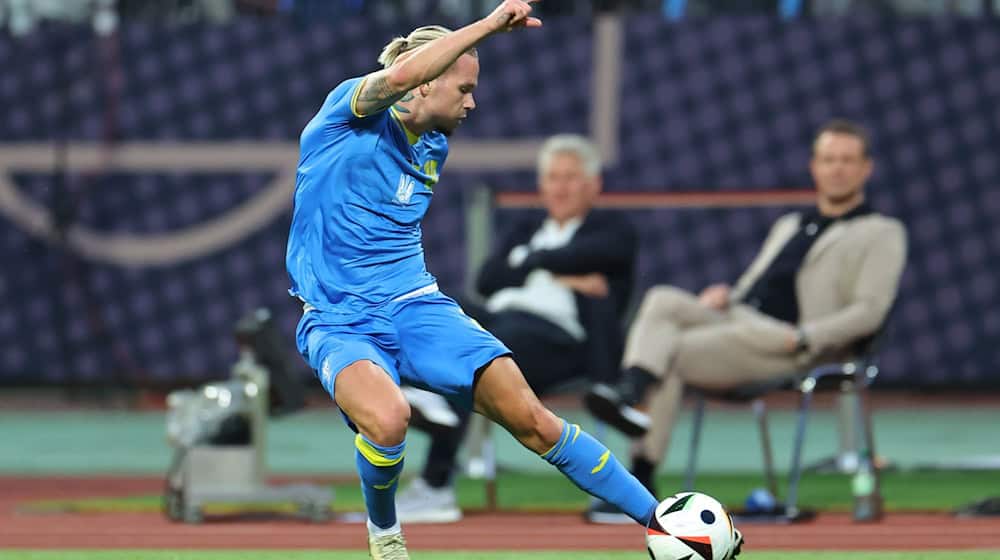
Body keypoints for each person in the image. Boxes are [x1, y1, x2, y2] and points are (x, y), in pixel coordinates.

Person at [284, 4, 666, 558]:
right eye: (463, 87)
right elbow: (398, 78)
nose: (472, 101)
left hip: (416, 308)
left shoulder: (434, 143)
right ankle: (386, 533)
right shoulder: (346, 116)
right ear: (426, 81)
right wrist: (488, 25)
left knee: (534, 421)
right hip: (338, 319)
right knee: (390, 420)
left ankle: (661, 521)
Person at [583, 119, 907, 523]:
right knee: (662, 299)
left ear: (865, 168)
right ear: (814, 167)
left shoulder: (881, 232)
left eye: (846, 160)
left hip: (792, 342)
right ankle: (630, 390)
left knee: (673, 351)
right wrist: (727, 296)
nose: (836, 168)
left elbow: (870, 311)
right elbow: (755, 283)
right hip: (739, 320)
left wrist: (806, 335)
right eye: (828, 159)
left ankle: (640, 478)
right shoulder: (791, 223)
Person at [395, 134, 638, 523]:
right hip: (499, 318)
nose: (560, 187)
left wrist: (529, 262)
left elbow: (593, 254)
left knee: (476, 354)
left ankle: (436, 483)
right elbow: (489, 278)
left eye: (571, 177)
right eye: (553, 178)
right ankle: (422, 408)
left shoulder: (613, 228)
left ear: (593, 185)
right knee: (440, 307)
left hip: (560, 341)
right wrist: (555, 270)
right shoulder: (528, 227)